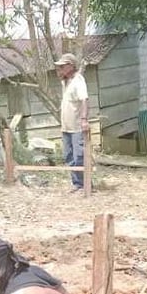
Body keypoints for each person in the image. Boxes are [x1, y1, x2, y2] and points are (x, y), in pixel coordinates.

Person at [54, 53, 89, 192]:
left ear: (71, 66)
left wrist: (84, 120)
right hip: (66, 127)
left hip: (76, 127)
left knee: (79, 156)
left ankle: (84, 184)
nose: (60, 69)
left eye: (63, 66)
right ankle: (77, 183)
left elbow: (84, 100)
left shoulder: (78, 80)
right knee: (68, 156)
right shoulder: (65, 81)